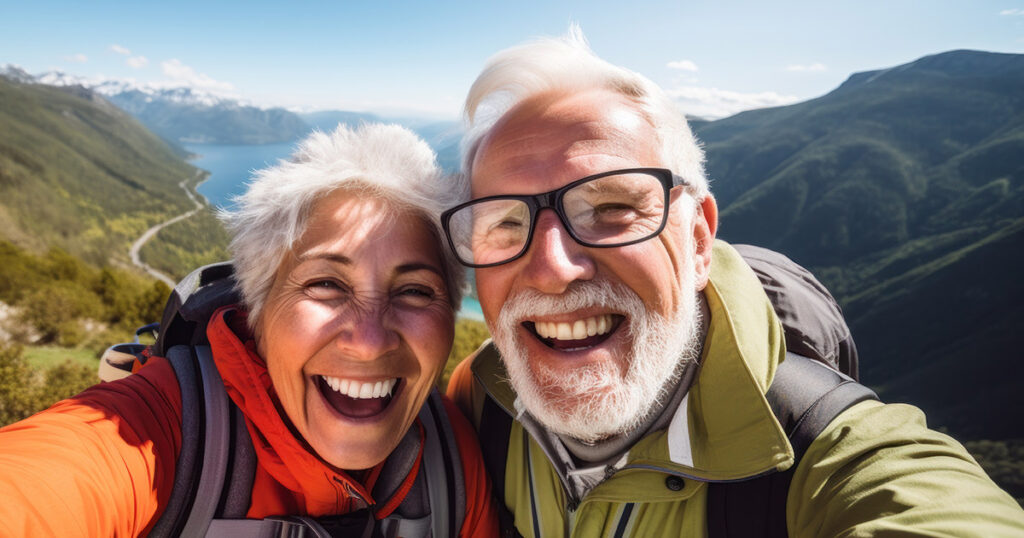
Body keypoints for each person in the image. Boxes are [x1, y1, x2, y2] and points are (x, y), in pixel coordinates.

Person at [445, 28, 1024, 536]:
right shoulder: (480, 398)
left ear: (697, 241)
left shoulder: (825, 458)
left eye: (612, 207)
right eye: (507, 221)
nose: (553, 268)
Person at [0, 123, 498, 537]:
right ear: (257, 310)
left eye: (414, 291)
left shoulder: (452, 460)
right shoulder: (157, 435)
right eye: (325, 284)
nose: (369, 341)